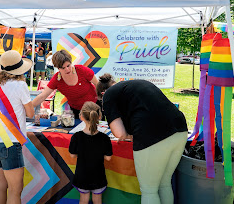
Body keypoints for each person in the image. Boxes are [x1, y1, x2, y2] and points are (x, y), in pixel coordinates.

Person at [96, 73, 188, 204]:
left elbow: (119, 133)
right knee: (164, 183)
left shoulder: (109, 95)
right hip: (180, 130)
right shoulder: (132, 86)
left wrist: (129, 136)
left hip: (152, 136)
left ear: (103, 93)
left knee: (149, 190)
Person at [0, 50, 34, 204]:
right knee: (15, 189)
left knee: (0, 186)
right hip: (11, 142)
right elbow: (30, 113)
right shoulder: (20, 85)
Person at [32, 49, 99, 119]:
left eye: (68, 66)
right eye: (63, 68)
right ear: (58, 68)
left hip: (94, 108)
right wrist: (27, 107)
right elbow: (42, 96)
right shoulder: (57, 79)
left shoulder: (82, 70)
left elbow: (98, 85)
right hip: (76, 111)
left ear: (71, 62)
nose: (67, 69)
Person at [69, 101, 112, 204]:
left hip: (82, 176)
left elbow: (72, 155)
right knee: (97, 200)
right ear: (100, 117)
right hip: (98, 176)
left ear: (81, 116)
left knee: (83, 200)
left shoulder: (76, 137)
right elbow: (108, 158)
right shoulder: (104, 138)